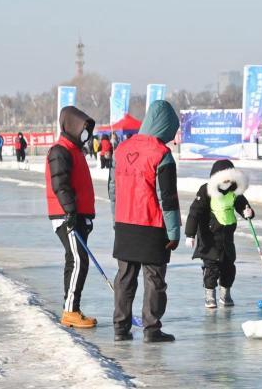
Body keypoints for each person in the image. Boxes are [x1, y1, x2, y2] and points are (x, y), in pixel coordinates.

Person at [109, 100, 181, 343]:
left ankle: (120, 327)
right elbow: (167, 198)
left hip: (125, 224)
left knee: (125, 278)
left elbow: (112, 190)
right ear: (166, 126)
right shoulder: (162, 155)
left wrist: (116, 219)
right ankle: (151, 329)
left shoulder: (121, 150)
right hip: (152, 226)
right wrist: (174, 232)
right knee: (154, 280)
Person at [45, 106, 97, 328]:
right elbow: (60, 184)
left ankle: (71, 307)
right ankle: (70, 312)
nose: (85, 134)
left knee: (73, 259)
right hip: (67, 215)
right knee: (78, 260)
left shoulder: (75, 150)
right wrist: (71, 212)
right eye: (82, 129)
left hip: (76, 214)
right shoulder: (60, 150)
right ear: (72, 126)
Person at [184, 160, 254, 309]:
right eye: (224, 178)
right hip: (209, 236)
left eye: (230, 178)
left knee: (229, 266)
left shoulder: (235, 191)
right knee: (211, 267)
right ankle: (210, 295)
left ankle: (225, 293)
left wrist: (248, 212)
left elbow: (242, 205)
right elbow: (194, 212)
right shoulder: (206, 190)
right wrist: (190, 235)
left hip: (227, 235)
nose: (227, 181)